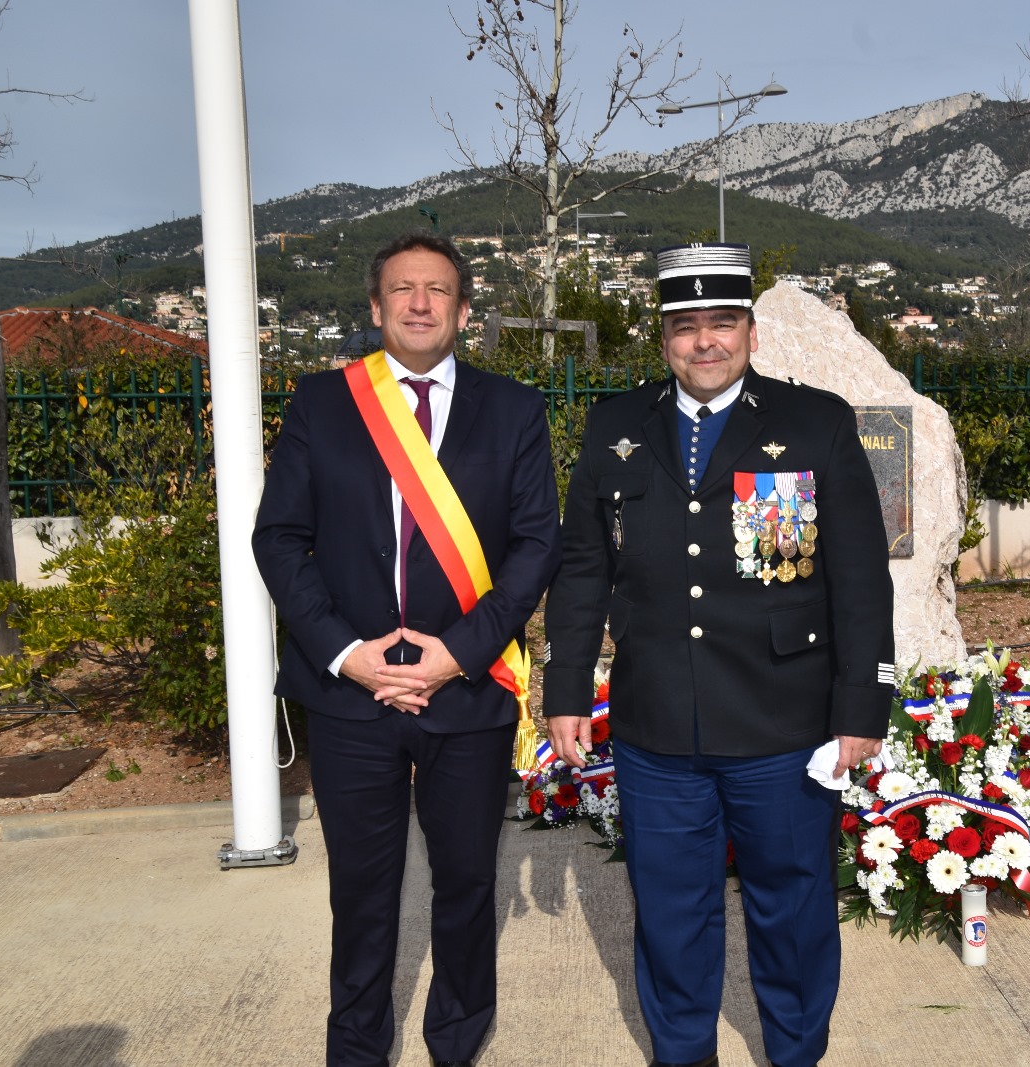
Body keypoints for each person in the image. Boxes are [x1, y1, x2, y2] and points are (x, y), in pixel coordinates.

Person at [543, 242, 895, 1067]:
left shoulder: (813, 423)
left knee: (793, 912)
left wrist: (861, 706)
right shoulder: (616, 427)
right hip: (658, 725)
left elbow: (859, 578)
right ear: (663, 337)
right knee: (670, 915)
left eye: (723, 323)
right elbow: (584, 566)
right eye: (686, 325)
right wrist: (565, 690)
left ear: (751, 332)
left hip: (783, 725)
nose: (705, 341)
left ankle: (796, 1053)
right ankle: (683, 1054)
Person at [252, 232, 561, 1067]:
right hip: (349, 695)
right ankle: (356, 1049)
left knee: (466, 884)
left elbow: (536, 545)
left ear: (463, 311)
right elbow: (279, 538)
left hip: (466, 688)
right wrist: (346, 653)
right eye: (402, 289)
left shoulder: (514, 409)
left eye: (437, 290)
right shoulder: (323, 402)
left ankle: (455, 1043)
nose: (419, 303)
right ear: (376, 306)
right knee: (360, 892)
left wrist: (456, 654)